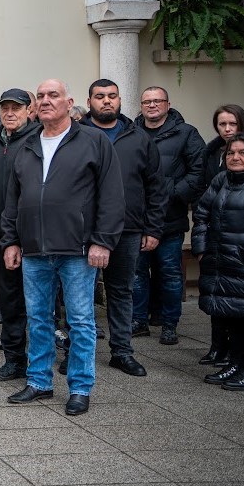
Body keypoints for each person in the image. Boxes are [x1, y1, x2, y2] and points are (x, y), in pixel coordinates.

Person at [2, 79, 124, 417]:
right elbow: (13, 199)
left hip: (78, 249)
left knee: (81, 321)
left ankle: (80, 388)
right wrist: (11, 240)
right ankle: (39, 381)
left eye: (53, 95)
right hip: (34, 249)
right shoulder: (27, 145)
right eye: (40, 96)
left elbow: (112, 196)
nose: (45, 101)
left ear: (69, 103)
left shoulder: (93, 141)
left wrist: (103, 241)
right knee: (38, 319)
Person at [79, 79, 167, 378]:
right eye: (100, 96)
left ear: (119, 100)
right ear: (89, 101)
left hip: (128, 229)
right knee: (80, 293)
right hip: (84, 230)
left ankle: (122, 351)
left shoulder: (138, 138)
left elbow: (156, 187)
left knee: (121, 291)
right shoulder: (77, 135)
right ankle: (80, 352)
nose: (107, 101)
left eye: (112, 96)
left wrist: (152, 229)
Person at [193, 133, 244, 391]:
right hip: (222, 263)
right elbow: (201, 214)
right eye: (231, 153)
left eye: (243, 153)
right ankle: (235, 364)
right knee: (232, 315)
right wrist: (201, 249)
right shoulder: (221, 179)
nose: (235, 157)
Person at [136, 85, 205, 345]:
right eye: (147, 102)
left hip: (171, 218)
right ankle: (138, 321)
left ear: (168, 104)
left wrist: (171, 193)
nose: (152, 105)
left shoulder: (187, 133)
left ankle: (169, 324)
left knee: (170, 274)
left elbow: (198, 172)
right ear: (141, 106)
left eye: (157, 101)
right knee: (137, 274)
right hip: (138, 219)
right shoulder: (132, 133)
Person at [0, 88, 40, 382]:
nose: (9, 113)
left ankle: (42, 363)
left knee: (41, 306)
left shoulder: (38, 140)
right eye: (4, 108)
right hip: (1, 237)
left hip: (34, 237)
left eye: (16, 108)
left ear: (29, 110)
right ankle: (14, 361)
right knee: (10, 303)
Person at [197, 104, 244, 365]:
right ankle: (218, 346)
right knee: (215, 295)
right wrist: (201, 246)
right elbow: (203, 198)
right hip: (216, 235)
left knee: (238, 301)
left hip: (241, 239)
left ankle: (237, 353)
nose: (227, 129)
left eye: (232, 123)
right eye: (222, 124)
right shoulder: (212, 152)